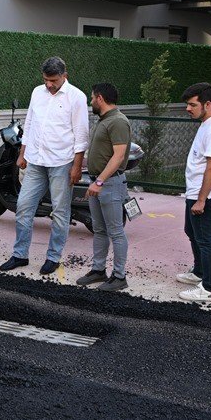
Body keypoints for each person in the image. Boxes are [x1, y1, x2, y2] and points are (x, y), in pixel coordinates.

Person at [0, 56, 89, 276]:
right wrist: (23, 154)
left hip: (61, 162)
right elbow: (30, 123)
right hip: (36, 161)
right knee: (23, 207)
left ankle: (53, 257)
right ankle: (20, 254)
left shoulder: (76, 97)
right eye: (46, 80)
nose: (49, 84)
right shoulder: (37, 92)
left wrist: (77, 166)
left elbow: (81, 134)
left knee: (60, 212)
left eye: (53, 80)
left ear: (64, 76)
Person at [176, 82, 211, 301]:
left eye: (192, 105)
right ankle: (199, 272)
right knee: (192, 232)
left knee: (206, 239)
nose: (188, 109)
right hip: (197, 191)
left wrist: (202, 200)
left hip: (207, 193)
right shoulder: (207, 123)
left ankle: (209, 288)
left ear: (207, 104)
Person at [75, 83, 132, 291]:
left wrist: (99, 181)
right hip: (97, 182)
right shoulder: (105, 120)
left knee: (116, 231)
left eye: (92, 98)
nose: (91, 102)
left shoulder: (118, 121)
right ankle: (98, 270)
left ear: (100, 98)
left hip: (110, 184)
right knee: (99, 229)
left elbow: (118, 156)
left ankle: (119, 277)